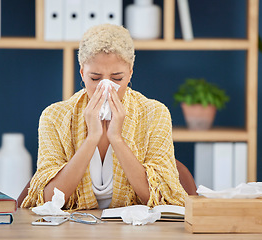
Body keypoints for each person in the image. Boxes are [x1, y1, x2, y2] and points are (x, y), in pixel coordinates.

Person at [21, 24, 187, 210]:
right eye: (95, 78)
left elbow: (162, 197)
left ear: (130, 73)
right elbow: (46, 199)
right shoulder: (54, 117)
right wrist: (91, 139)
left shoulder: (155, 113)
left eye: (117, 79)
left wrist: (116, 139)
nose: (106, 88)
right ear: (82, 73)